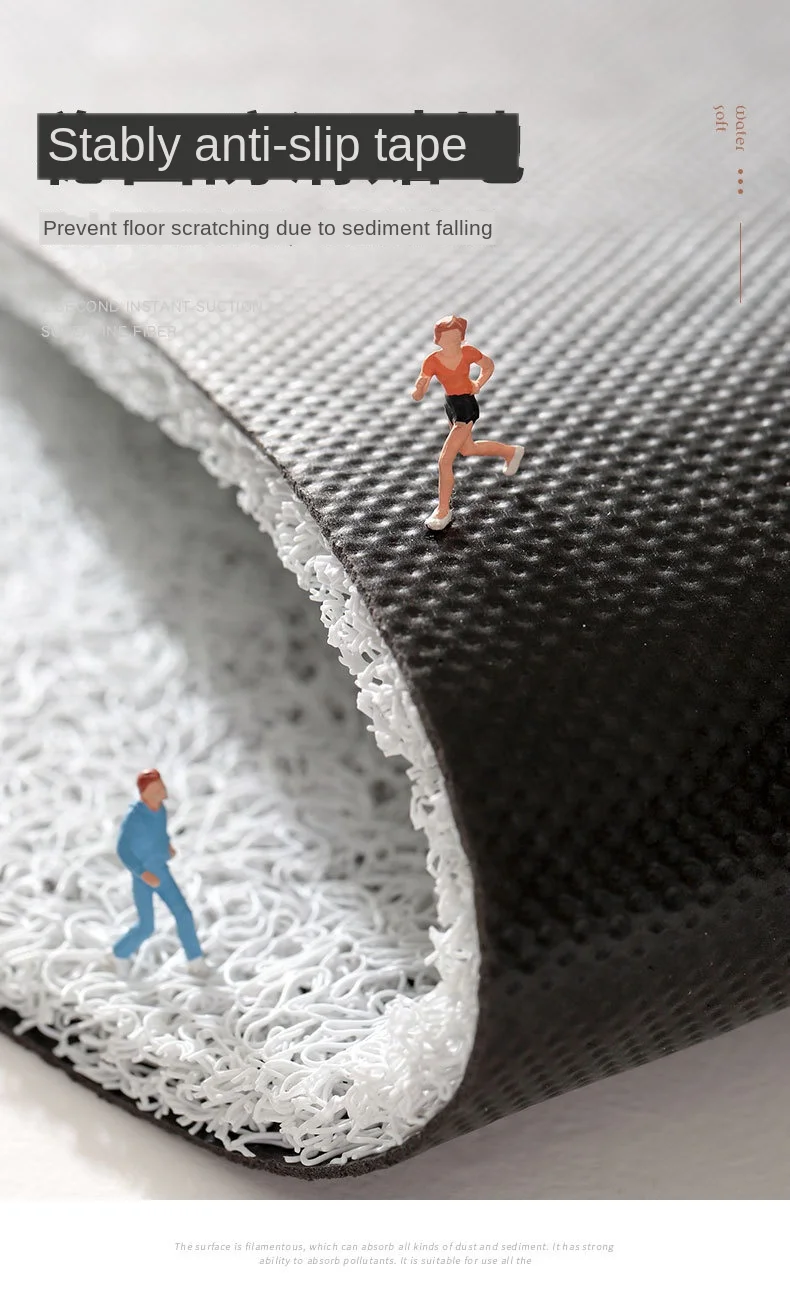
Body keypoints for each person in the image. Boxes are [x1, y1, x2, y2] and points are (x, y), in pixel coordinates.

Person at [412, 314, 524, 530]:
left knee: (445, 460)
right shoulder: (432, 361)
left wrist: (478, 383)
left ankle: (443, 511)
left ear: (462, 337)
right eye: (446, 338)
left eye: (455, 337)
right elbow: (420, 390)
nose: (451, 342)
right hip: (451, 406)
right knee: (468, 449)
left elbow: (488, 366)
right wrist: (418, 389)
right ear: (438, 339)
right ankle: (511, 452)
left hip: (466, 407)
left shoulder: (468, 352)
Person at [113, 769, 203, 963]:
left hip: (161, 870)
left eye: (162, 786)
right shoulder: (134, 818)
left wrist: (167, 845)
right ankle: (117, 954)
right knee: (146, 926)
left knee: (183, 913)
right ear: (145, 793)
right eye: (157, 789)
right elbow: (122, 849)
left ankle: (195, 959)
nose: (163, 790)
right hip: (143, 877)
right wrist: (142, 872)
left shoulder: (160, 810)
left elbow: (159, 833)